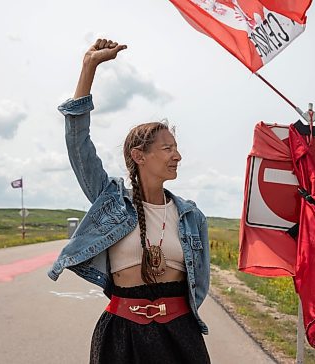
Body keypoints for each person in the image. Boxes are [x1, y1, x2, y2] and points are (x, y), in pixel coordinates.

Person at [47, 38, 211, 364]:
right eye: (167, 148)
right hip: (121, 336)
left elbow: (199, 284)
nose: (178, 155)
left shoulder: (192, 217)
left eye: (176, 148)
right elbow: (78, 142)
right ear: (140, 156)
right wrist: (89, 66)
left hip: (180, 337)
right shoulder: (110, 201)